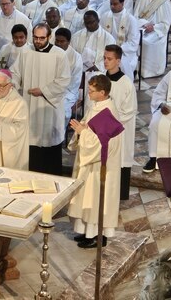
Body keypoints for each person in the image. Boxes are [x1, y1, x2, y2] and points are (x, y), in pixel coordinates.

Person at [67, 74, 122, 248]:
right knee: (86, 198)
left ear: (103, 92)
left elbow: (103, 143)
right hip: (89, 163)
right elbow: (88, 127)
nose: (88, 94)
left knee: (96, 199)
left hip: (100, 166)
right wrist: (79, 130)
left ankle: (98, 237)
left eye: (91, 91)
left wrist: (82, 132)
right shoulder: (96, 105)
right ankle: (86, 232)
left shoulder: (109, 111)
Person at [10, 23, 71, 175]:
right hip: (29, 104)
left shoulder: (59, 54)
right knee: (31, 142)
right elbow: (15, 72)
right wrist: (13, 83)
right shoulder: (26, 52)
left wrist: (43, 91)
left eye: (42, 38)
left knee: (49, 143)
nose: (38, 41)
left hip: (49, 106)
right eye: (35, 37)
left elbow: (64, 80)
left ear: (49, 37)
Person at [103, 45, 137, 200]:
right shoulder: (101, 80)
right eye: (104, 58)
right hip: (102, 130)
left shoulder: (126, 84)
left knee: (119, 159)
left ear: (118, 61)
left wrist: (110, 123)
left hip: (119, 131)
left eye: (109, 59)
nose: (105, 61)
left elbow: (129, 111)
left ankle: (119, 194)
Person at [133, 0, 171, 78]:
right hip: (142, 28)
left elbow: (166, 23)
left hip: (157, 31)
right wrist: (143, 24)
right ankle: (136, 68)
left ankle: (150, 71)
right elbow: (135, 17)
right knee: (134, 39)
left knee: (147, 42)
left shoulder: (164, 1)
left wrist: (154, 27)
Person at [100, 0, 139, 81]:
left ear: (122, 4)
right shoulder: (104, 17)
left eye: (115, 4)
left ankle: (124, 87)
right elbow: (101, 35)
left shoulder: (131, 20)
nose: (112, 6)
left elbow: (133, 42)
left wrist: (118, 50)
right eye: (111, 4)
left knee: (122, 64)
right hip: (106, 50)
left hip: (124, 52)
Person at [55, 28, 83, 128]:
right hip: (50, 90)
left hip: (68, 92)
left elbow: (75, 82)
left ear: (69, 42)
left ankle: (59, 137)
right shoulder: (50, 52)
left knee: (61, 110)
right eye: (56, 41)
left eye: (62, 41)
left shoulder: (76, 57)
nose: (58, 44)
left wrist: (60, 92)